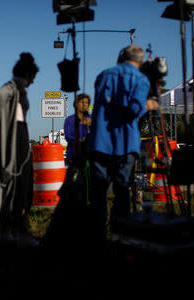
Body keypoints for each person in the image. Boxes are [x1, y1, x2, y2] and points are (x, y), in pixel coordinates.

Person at [87, 45, 159, 237]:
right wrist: (150, 104)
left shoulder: (103, 75)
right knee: (122, 192)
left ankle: (98, 236)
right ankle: (121, 236)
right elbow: (134, 109)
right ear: (141, 62)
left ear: (121, 57)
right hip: (125, 143)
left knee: (98, 194)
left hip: (100, 142)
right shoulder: (141, 79)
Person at [0, 52, 39, 244]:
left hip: (21, 135)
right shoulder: (12, 87)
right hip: (14, 136)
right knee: (14, 183)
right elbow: (0, 95)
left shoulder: (20, 89)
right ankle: (11, 229)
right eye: (32, 78)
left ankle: (19, 227)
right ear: (26, 74)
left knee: (25, 183)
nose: (33, 82)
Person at [63, 93, 91, 163]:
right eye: (82, 102)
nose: (84, 105)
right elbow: (68, 136)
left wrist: (91, 125)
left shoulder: (92, 119)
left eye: (87, 103)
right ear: (76, 104)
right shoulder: (70, 120)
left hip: (89, 155)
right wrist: (80, 140)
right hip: (73, 155)